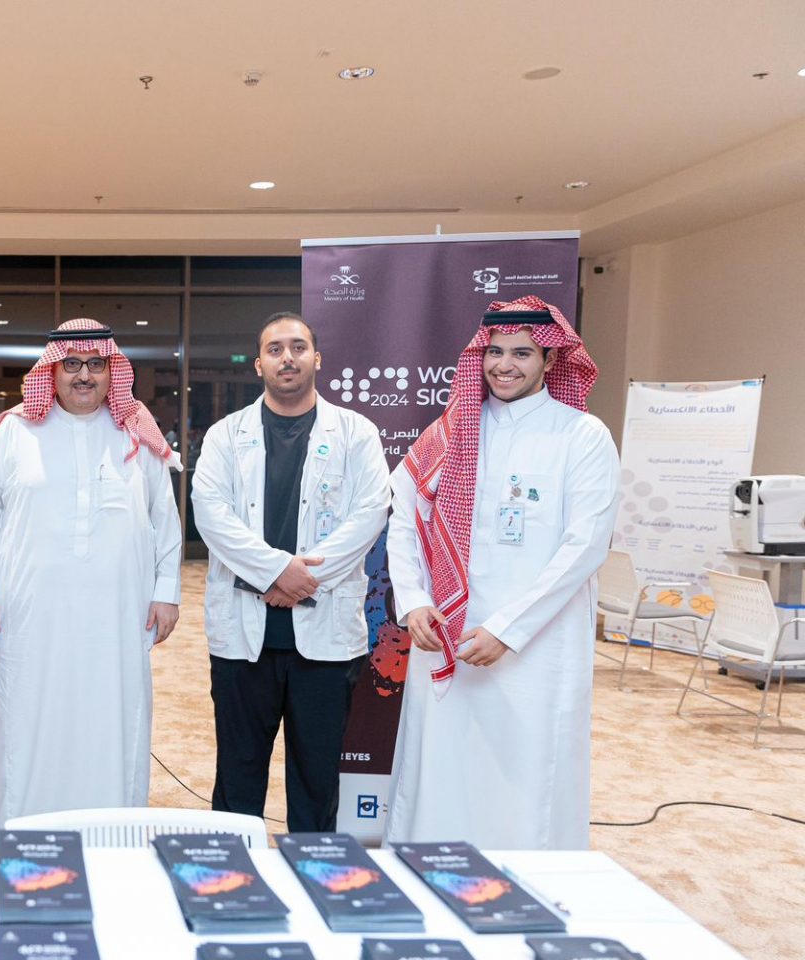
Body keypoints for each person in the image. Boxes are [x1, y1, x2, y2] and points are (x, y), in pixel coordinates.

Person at [385, 296, 618, 850]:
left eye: (521, 353)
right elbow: (403, 520)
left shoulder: (582, 436)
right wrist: (413, 599)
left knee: (527, 775)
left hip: (536, 647)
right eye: (494, 352)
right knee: (442, 770)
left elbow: (584, 546)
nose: (504, 365)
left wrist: (507, 630)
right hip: (445, 633)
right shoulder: (448, 434)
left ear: (551, 359)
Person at [0, 319, 183, 829]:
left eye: (95, 364)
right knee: (27, 724)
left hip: (117, 618)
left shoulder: (136, 433)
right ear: (52, 371)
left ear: (113, 372)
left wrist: (167, 592)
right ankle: (25, 835)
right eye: (71, 364)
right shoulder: (16, 432)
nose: (84, 375)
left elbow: (165, 519)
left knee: (112, 722)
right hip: (29, 618)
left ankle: (111, 840)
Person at [191, 312, 389, 831]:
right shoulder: (225, 435)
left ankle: (312, 870)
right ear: (258, 364)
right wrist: (279, 571)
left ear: (316, 359)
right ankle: (234, 872)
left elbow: (370, 513)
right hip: (243, 639)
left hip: (325, 640)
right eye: (275, 349)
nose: (287, 357)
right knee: (238, 775)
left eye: (298, 347)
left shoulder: (356, 433)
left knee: (317, 779)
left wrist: (303, 581)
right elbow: (211, 514)